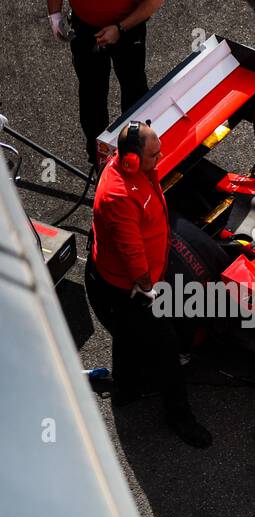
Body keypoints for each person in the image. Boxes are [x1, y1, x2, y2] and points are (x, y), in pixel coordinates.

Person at [84, 120, 212, 447]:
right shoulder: (119, 196)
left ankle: (126, 390)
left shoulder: (137, 171)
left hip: (131, 282)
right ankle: (180, 417)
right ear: (130, 161)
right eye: (155, 154)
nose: (161, 157)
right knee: (166, 349)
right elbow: (132, 256)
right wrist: (148, 289)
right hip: (132, 288)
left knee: (126, 337)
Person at [48, 0, 165, 170]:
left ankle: (140, 157)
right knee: (92, 96)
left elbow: (154, 1)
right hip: (85, 29)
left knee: (135, 92)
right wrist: (55, 15)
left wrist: (120, 28)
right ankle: (100, 160)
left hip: (129, 28)